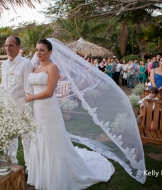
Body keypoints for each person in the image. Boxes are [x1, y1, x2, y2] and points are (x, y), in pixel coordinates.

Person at [25, 38, 146, 189]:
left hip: (48, 108)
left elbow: (49, 92)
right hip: (36, 109)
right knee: (39, 138)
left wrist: (30, 97)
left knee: (53, 138)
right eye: (37, 50)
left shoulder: (53, 68)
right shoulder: (33, 68)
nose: (38, 53)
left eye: (42, 50)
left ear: (50, 52)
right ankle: (40, 174)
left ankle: (57, 176)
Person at [0, 36, 33, 169]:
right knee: (9, 139)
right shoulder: (4, 64)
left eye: (11, 45)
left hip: (22, 107)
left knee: (26, 139)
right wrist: (0, 106)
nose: (7, 48)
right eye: (6, 45)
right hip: (7, 108)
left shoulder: (26, 64)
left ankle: (30, 169)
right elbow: (2, 87)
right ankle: (12, 165)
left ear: (18, 47)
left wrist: (26, 110)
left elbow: (28, 89)